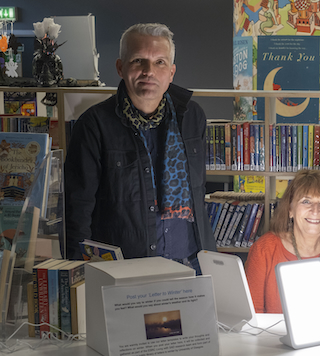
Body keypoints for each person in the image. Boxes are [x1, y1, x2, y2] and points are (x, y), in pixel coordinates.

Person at [64, 23, 216, 268]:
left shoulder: (192, 117)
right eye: (138, 61)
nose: (149, 71)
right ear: (121, 68)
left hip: (191, 265)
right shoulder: (94, 125)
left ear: (171, 72)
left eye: (159, 62)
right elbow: (77, 210)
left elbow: (197, 192)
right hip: (125, 272)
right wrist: (78, 275)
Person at [245, 169, 320, 314]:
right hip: (276, 336)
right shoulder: (264, 250)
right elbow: (251, 319)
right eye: (306, 201)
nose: (315, 210)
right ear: (290, 209)